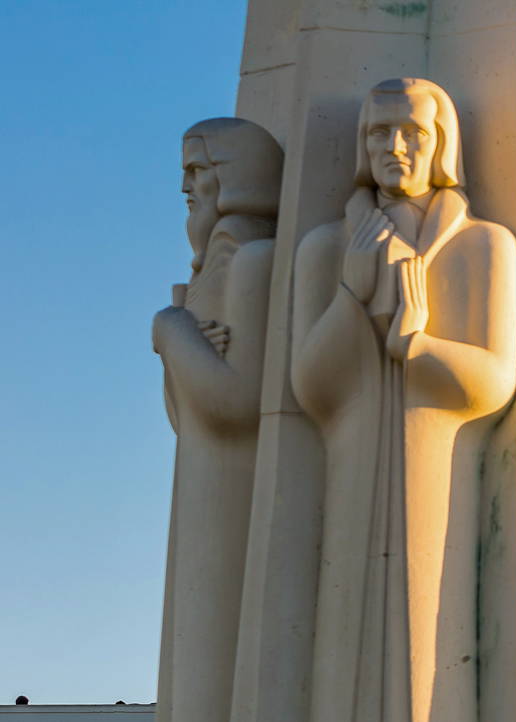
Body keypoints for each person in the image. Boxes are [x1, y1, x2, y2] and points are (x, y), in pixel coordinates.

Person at [288, 78, 516, 722]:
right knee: (343, 629)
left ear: (441, 144)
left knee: (435, 627)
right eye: (377, 132)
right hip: (351, 468)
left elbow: (496, 379)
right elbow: (309, 384)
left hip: (441, 469)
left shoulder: (483, 245)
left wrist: (416, 346)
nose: (394, 146)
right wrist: (351, 297)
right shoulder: (325, 249)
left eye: (413, 132)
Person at [152, 116, 280, 722]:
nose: (189, 192)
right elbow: (187, 412)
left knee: (209, 661)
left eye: (198, 176)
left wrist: (171, 330)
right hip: (202, 481)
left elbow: (236, 403)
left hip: (231, 488)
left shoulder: (252, 262)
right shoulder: (212, 275)